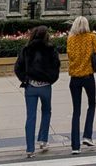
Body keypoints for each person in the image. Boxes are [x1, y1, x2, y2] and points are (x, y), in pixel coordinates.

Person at [14, 25, 61, 158]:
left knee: (31, 116)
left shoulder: (27, 49)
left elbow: (18, 68)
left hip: (31, 86)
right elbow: (56, 66)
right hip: (45, 86)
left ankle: (30, 148)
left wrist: (25, 79)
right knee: (46, 112)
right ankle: (43, 139)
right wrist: (51, 79)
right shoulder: (51, 49)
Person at [66, 15, 96, 155]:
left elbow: (70, 56)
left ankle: (75, 146)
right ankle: (87, 135)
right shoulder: (91, 37)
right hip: (88, 76)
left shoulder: (70, 39)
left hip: (74, 78)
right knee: (92, 104)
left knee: (76, 111)